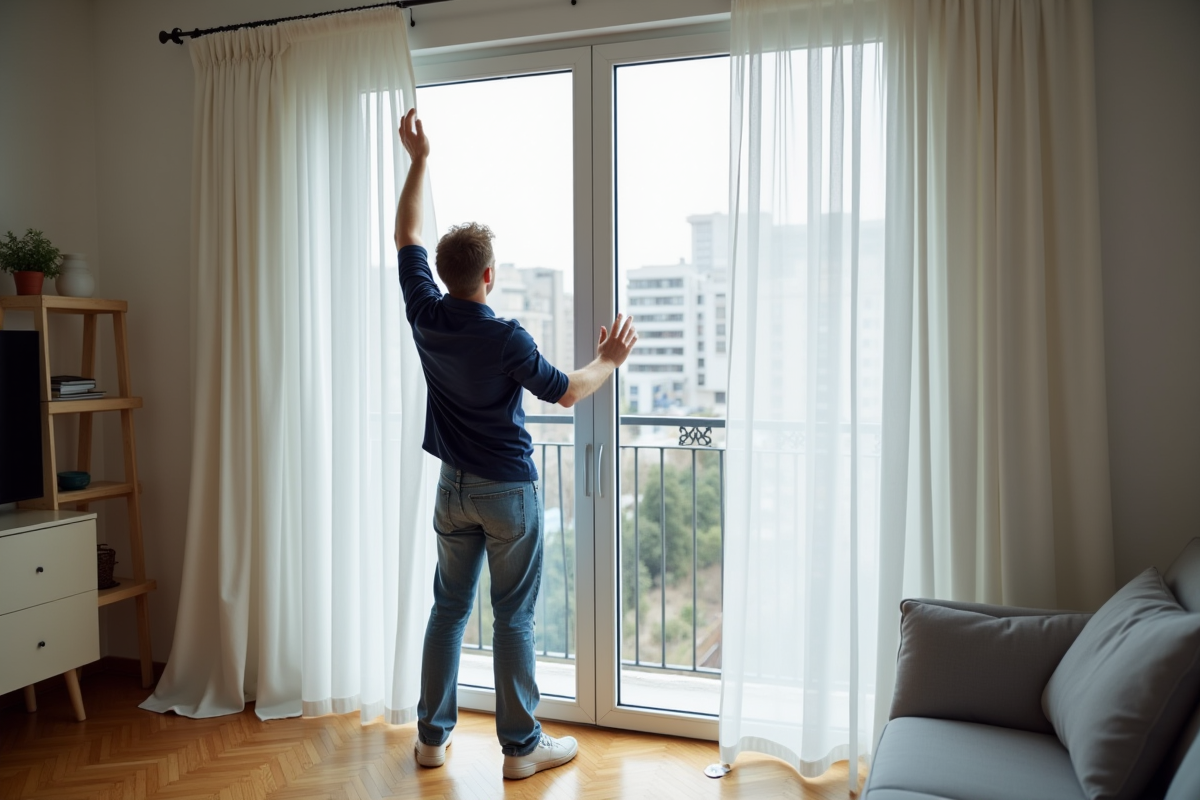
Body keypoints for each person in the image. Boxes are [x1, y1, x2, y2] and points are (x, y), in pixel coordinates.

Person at [393, 107, 637, 780]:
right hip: (506, 491)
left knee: (448, 610)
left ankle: (431, 740)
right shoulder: (506, 337)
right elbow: (567, 391)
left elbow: (406, 233)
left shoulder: (425, 313)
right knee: (513, 619)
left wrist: (419, 160)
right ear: (489, 276)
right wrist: (610, 360)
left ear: (445, 273)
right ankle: (521, 750)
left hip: (452, 488)